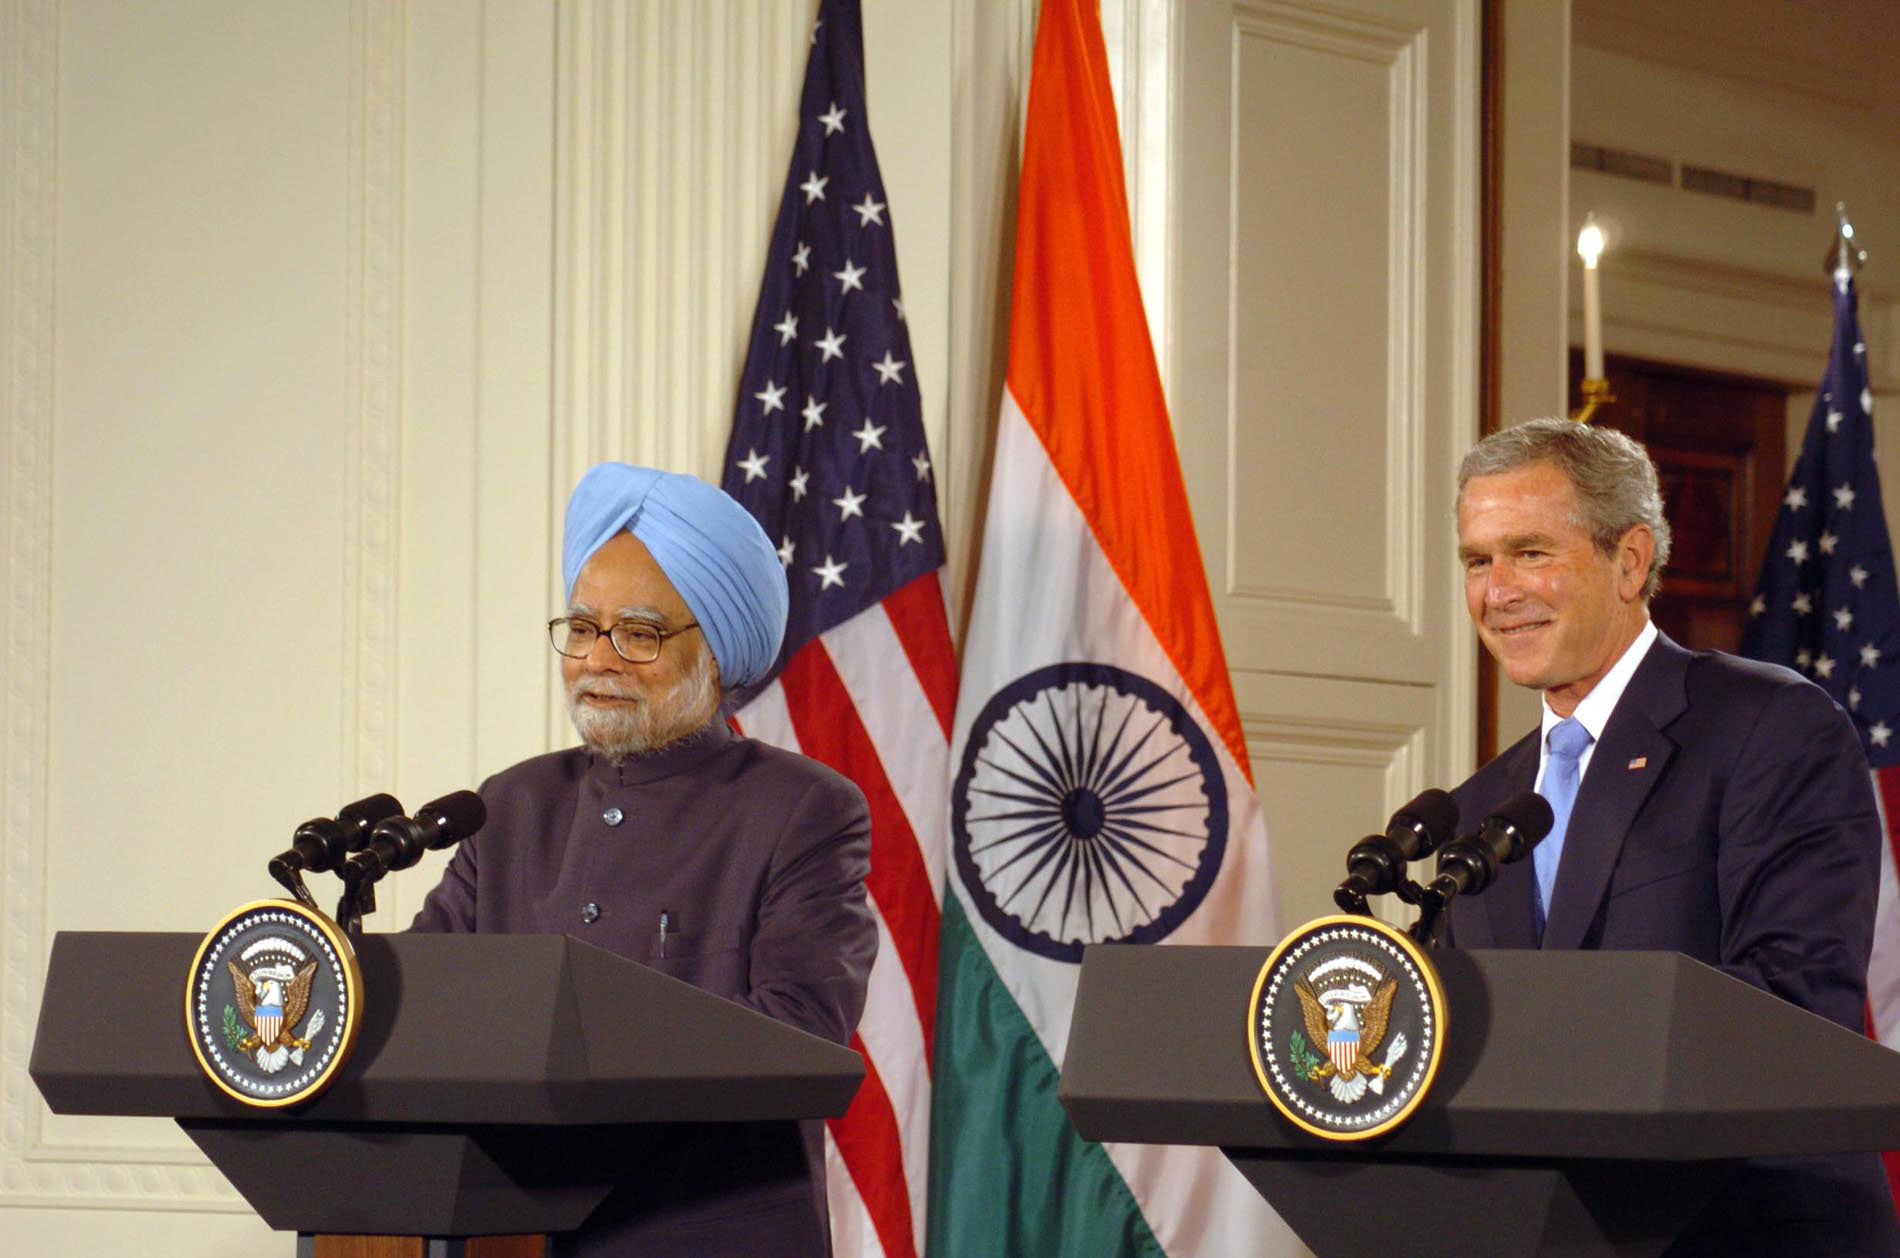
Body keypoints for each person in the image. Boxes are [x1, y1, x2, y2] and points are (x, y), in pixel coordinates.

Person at [1448, 416, 1898, 1255]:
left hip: (1749, 1231)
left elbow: (1791, 1003)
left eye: (1530, 553)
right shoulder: (1479, 812)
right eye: (1478, 561)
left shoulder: (1770, 727)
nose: (1497, 592)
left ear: (1630, 561)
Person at [412, 461, 877, 1257]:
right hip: (508, 1233)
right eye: (582, 628)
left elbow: (803, 1032)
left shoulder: (803, 810)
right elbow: (426, 996)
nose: (598, 659)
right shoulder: (511, 806)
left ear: (716, 653)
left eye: (638, 634)